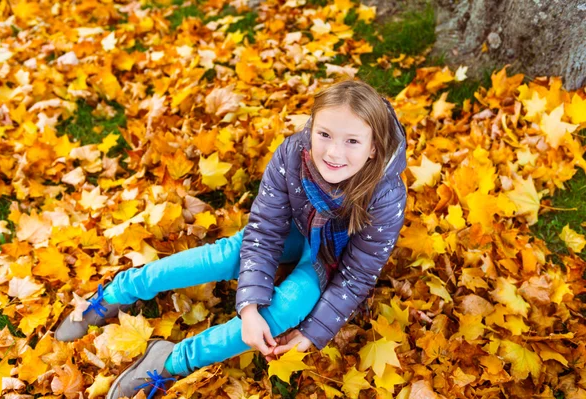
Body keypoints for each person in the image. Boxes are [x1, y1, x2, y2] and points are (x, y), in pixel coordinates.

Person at [54, 78, 408, 399]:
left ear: (374, 148)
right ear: (312, 128)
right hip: (290, 232)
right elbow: (265, 231)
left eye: (352, 142)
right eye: (325, 135)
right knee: (224, 256)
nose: (333, 152)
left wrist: (313, 332)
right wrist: (248, 305)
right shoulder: (292, 154)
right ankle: (119, 292)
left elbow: (356, 275)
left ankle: (173, 360)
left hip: (327, 261)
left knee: (285, 310)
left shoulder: (385, 195)